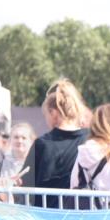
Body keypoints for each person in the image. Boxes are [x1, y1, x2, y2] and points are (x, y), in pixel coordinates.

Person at [21, 79, 90, 208]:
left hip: (46, 219)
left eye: (46, 114)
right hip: (82, 218)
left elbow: (23, 187)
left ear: (53, 113)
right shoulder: (90, 140)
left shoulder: (42, 144)